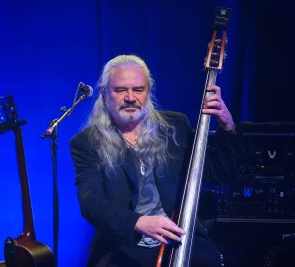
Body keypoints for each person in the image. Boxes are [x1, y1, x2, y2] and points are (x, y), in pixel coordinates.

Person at [70, 55, 239, 267]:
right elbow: (91, 203)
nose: (130, 97)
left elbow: (223, 174)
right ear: (104, 94)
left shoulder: (175, 126)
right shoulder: (87, 142)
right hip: (123, 242)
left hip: (179, 237)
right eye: (120, 90)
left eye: (138, 89)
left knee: (206, 260)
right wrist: (138, 222)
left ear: (148, 91)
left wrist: (227, 126)